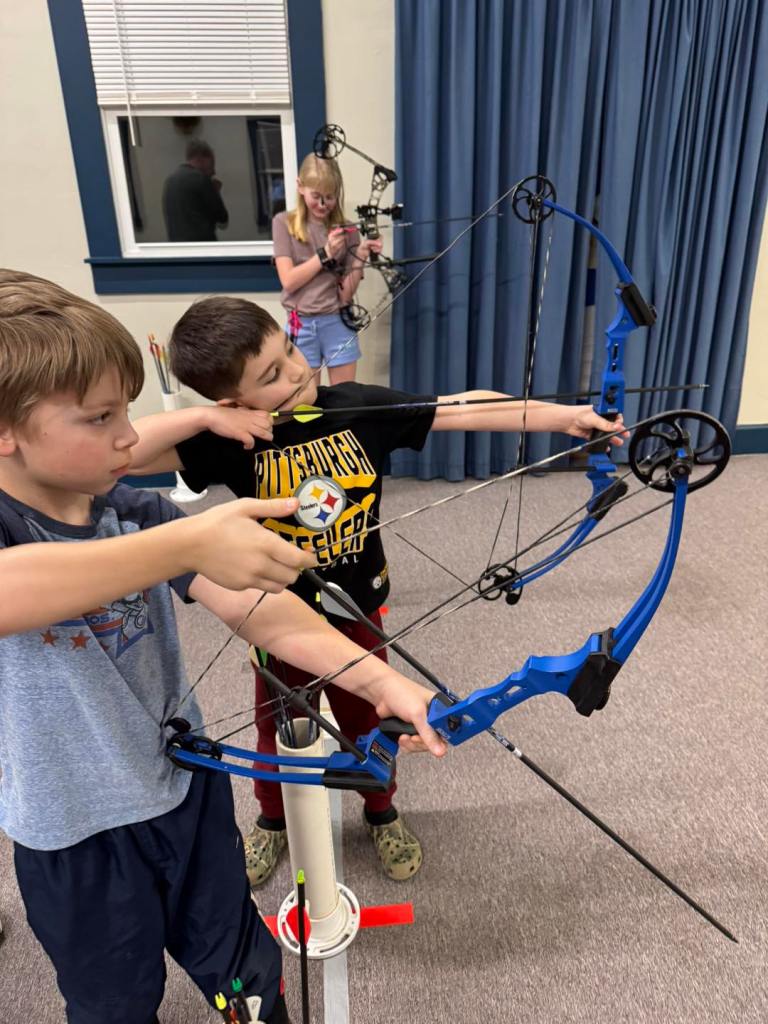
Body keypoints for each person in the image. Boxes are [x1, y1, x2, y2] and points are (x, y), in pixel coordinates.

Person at [0, 272, 446, 1024]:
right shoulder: (59, 532)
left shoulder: (128, 509)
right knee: (114, 999)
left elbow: (264, 614)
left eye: (126, 412)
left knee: (240, 967)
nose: (128, 437)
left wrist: (379, 682)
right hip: (74, 835)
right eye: (100, 417)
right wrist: (186, 538)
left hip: (185, 794)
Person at [128, 297, 627, 889]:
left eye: (289, 352)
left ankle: (381, 811)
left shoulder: (355, 404)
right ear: (233, 401)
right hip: (277, 616)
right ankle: (271, 820)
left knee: (375, 718)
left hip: (359, 608)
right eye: (270, 377)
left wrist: (560, 418)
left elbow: (458, 409)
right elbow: (120, 455)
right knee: (276, 728)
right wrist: (204, 421)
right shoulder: (230, 437)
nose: (296, 373)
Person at [272, 153, 379, 385]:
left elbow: (345, 295)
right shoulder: (283, 223)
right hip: (301, 323)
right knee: (306, 405)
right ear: (300, 187)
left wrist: (360, 256)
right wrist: (325, 254)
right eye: (316, 196)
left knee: (344, 399)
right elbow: (288, 281)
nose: (323, 205)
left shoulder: (347, 229)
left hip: (338, 321)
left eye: (329, 197)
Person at [162, 138, 229, 242]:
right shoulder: (201, 179)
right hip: (203, 248)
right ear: (202, 159)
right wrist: (216, 191)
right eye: (212, 164)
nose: (214, 171)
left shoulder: (170, 181)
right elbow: (222, 218)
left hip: (177, 249)